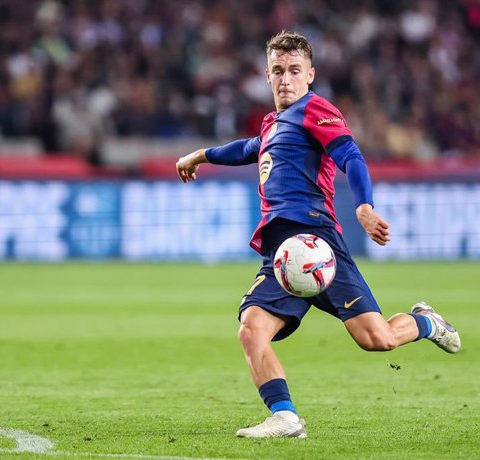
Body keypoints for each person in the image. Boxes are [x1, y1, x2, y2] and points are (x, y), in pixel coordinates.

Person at [175, 31, 461, 439]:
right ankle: (286, 416)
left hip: (317, 243)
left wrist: (363, 204)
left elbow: (350, 154)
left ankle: (426, 323)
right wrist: (200, 155)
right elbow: (250, 148)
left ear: (310, 75)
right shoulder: (274, 123)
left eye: (294, 71)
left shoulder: (316, 110)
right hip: (281, 254)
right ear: (267, 75)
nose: (285, 79)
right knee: (251, 327)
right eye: (277, 71)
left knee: (376, 339)